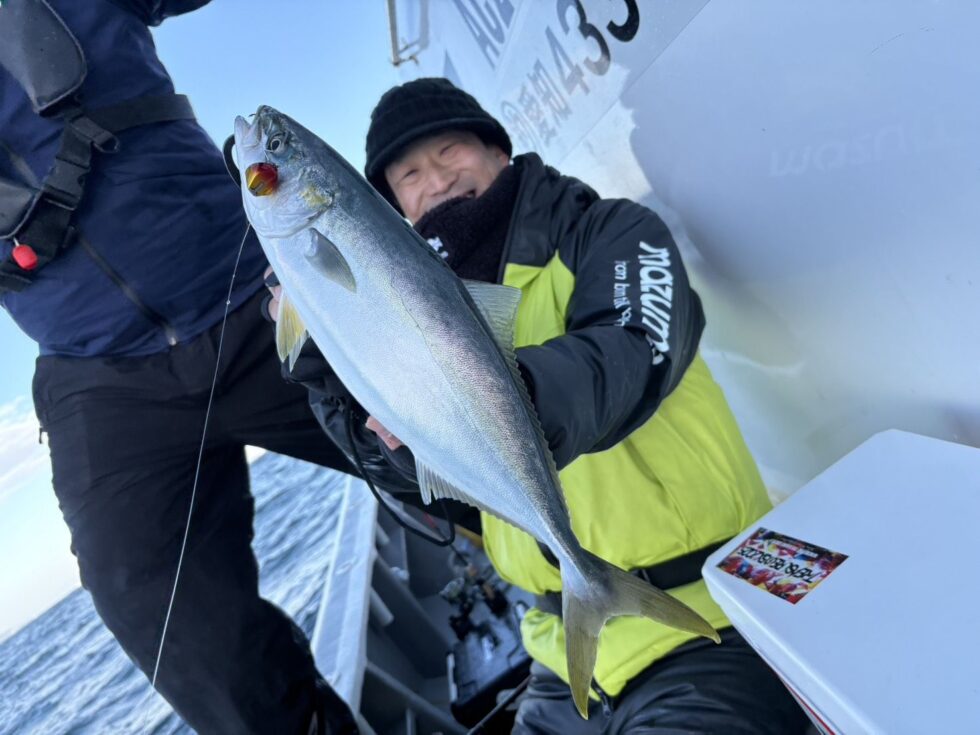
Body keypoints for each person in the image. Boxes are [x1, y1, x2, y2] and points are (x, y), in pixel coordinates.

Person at [269, 77, 811, 733]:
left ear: (498, 150)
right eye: (408, 174)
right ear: (397, 207)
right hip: (560, 657)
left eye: (449, 150)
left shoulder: (607, 231)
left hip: (712, 612)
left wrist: (509, 401)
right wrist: (328, 370)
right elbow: (415, 479)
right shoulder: (409, 331)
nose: (435, 180)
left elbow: (631, 348)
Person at [0, 1, 361, 732]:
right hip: (99, 380)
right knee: (184, 637)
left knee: (475, 440)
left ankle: (591, 575)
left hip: (257, 289)